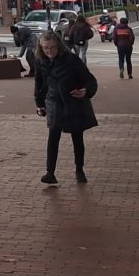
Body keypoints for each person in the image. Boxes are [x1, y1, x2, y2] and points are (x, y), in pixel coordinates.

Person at [30, 30, 97, 184]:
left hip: (73, 100)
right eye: (46, 48)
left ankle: (79, 169)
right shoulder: (41, 61)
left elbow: (89, 79)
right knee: (53, 136)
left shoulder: (71, 59)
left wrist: (86, 91)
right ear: (41, 48)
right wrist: (39, 104)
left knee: (77, 137)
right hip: (54, 101)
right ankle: (50, 172)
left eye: (52, 48)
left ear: (58, 46)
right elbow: (39, 84)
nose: (49, 51)